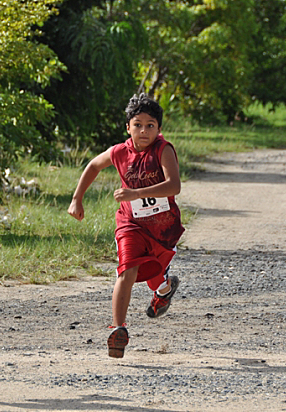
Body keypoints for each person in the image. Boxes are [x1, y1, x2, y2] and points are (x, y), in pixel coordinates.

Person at [68, 93, 184, 358]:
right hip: (130, 223)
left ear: (159, 128)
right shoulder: (120, 152)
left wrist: (136, 193)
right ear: (127, 127)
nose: (144, 130)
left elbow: (174, 185)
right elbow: (93, 165)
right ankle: (118, 328)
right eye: (138, 124)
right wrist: (77, 199)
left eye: (150, 125)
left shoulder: (163, 150)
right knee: (127, 269)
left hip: (161, 228)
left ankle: (164, 290)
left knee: (153, 271)